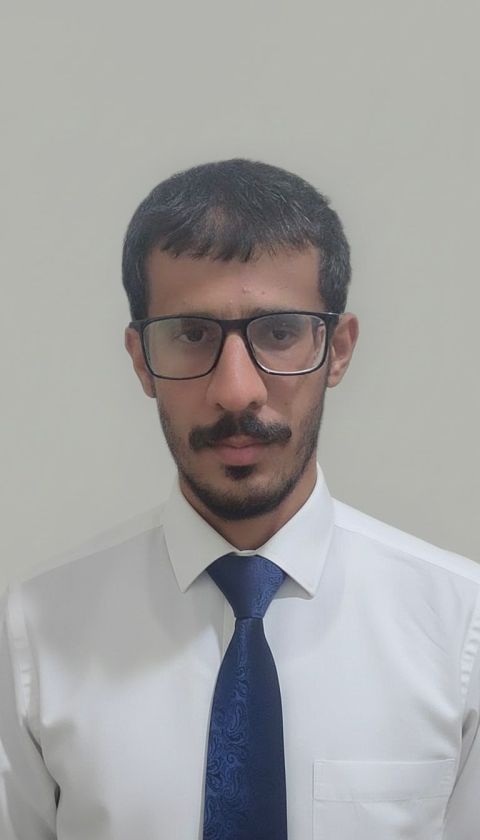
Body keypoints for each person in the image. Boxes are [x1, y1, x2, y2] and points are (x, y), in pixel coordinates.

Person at [0, 158, 478, 840]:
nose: (236, 391)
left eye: (279, 332)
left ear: (338, 349)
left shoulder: (462, 631)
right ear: (141, 359)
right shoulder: (36, 634)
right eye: (191, 335)